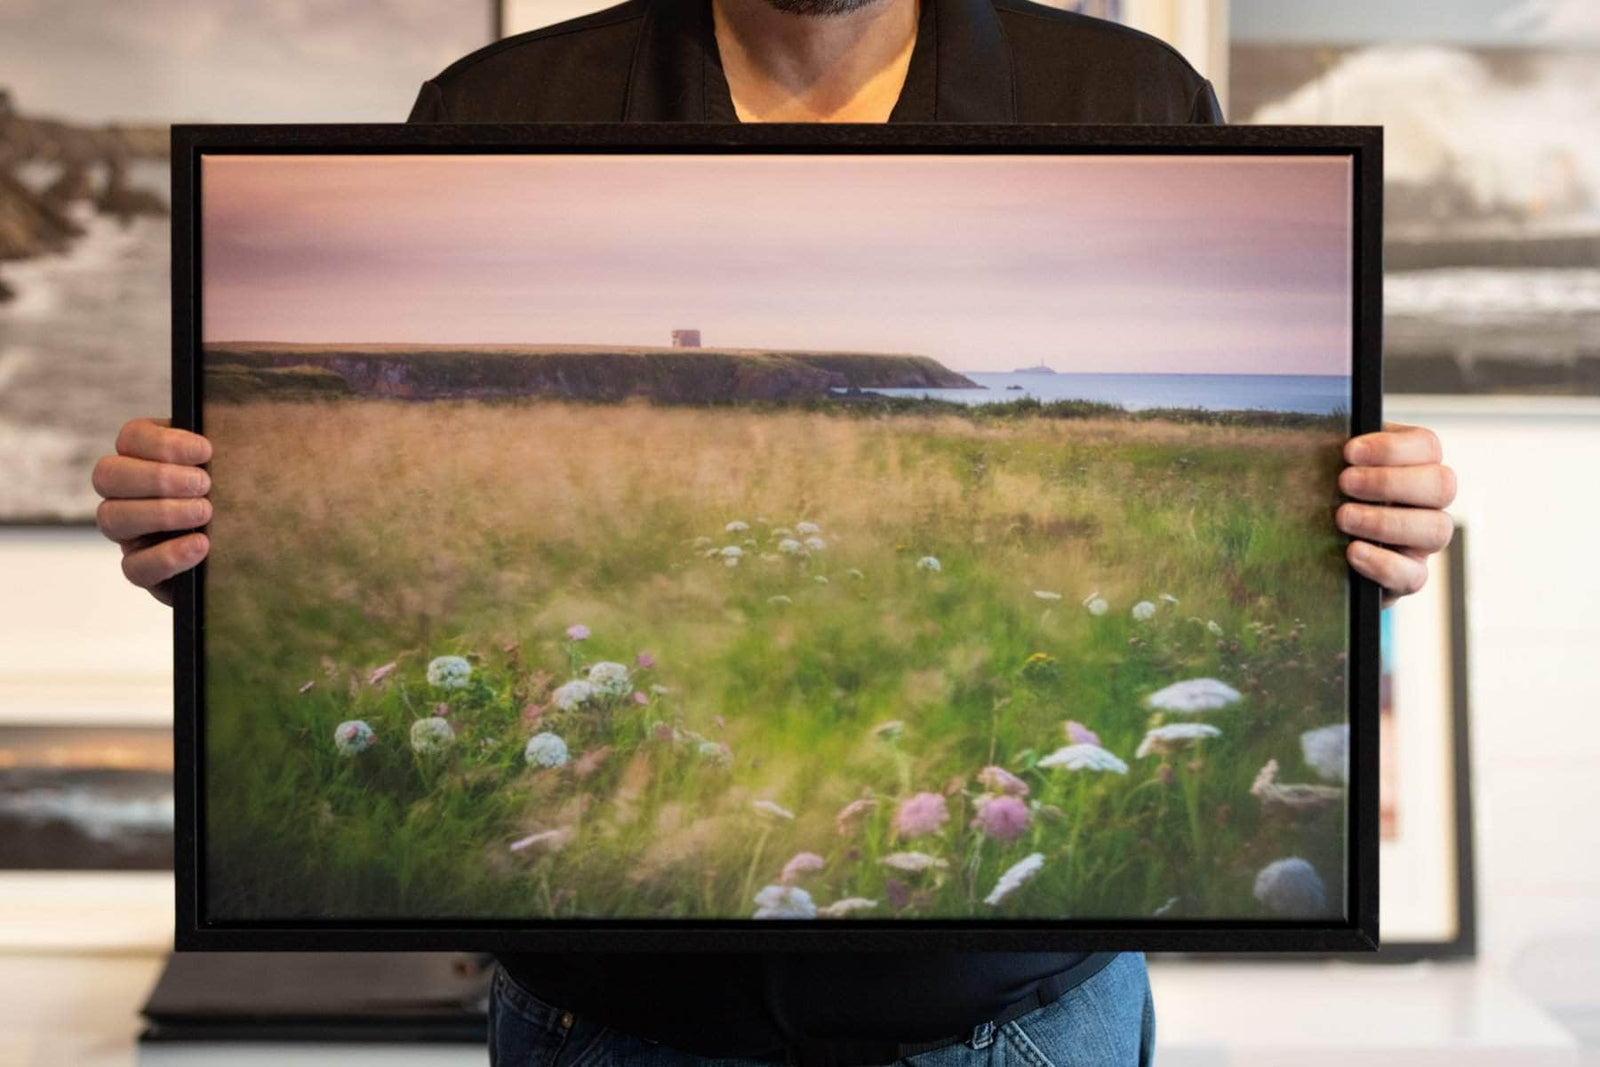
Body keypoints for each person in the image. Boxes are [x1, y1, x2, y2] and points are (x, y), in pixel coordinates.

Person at [93, 1, 1458, 1064]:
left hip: (1020, 1027)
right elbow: (342, 558)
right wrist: (218, 537)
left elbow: (1316, 544)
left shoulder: (1134, 97)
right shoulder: (506, 104)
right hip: (612, 1031)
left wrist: (1364, 537)